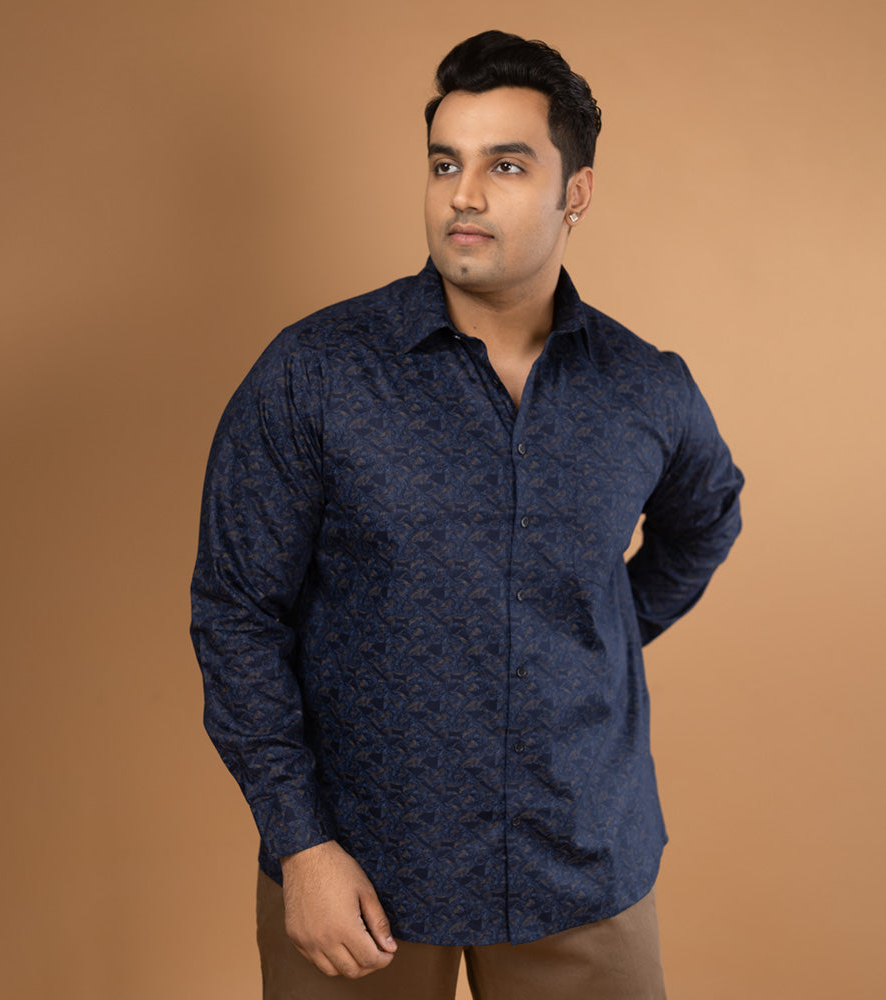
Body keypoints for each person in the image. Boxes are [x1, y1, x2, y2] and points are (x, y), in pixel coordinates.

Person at [191, 29, 743, 1000]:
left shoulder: (642, 386)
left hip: (581, 866)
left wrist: (599, 632)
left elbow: (706, 517)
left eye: (505, 165)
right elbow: (236, 613)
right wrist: (301, 843)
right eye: (445, 163)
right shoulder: (314, 373)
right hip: (361, 873)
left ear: (575, 192)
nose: (463, 195)